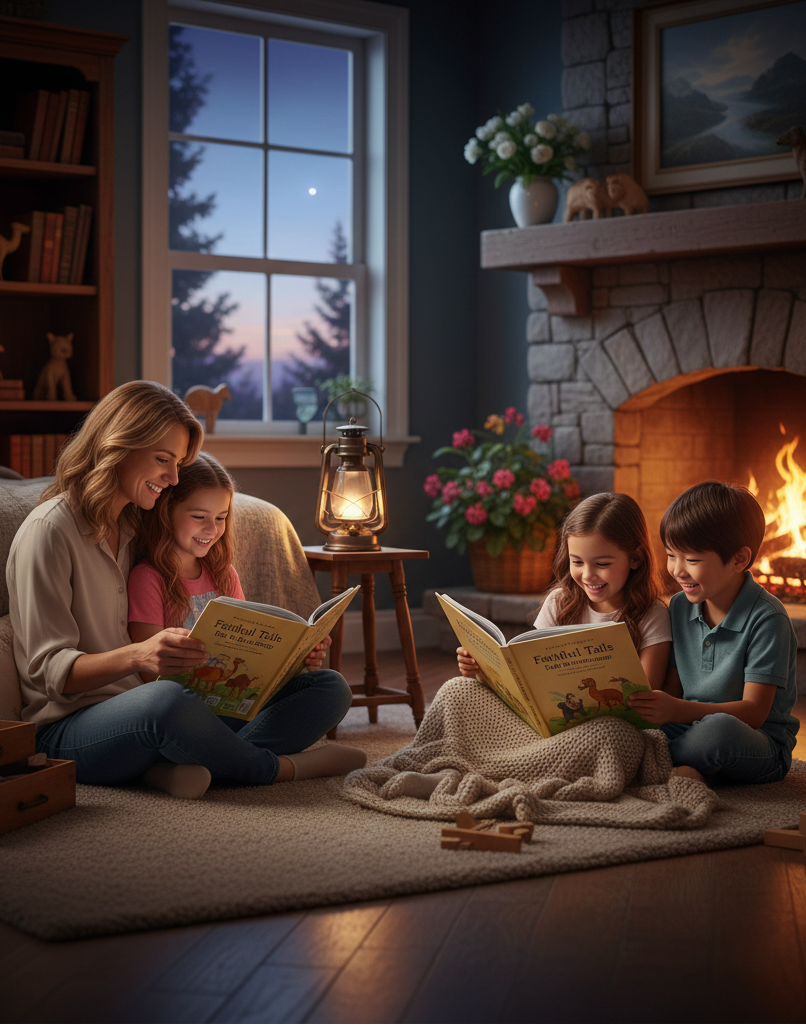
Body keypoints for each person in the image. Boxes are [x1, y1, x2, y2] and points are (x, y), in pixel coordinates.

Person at [7, 381, 364, 801]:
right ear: (116, 445)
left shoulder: (134, 524)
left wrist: (286, 657)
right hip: (68, 726)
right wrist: (139, 654)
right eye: (162, 459)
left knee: (327, 688)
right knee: (168, 701)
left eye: (177, 462)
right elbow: (50, 674)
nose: (173, 477)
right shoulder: (50, 532)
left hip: (152, 710)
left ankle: (179, 764)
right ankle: (274, 769)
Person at [628, 481, 799, 785]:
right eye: (671, 555)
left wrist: (677, 710)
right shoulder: (679, 606)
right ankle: (680, 767)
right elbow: (673, 688)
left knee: (719, 731)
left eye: (691, 560)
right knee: (625, 725)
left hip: (756, 743)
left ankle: (648, 762)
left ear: (739, 559)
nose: (677, 570)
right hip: (688, 726)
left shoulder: (768, 618)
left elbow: (754, 713)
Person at [457, 492, 671, 689]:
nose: (587, 575)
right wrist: (479, 672)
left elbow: (645, 694)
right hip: (555, 716)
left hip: (615, 723)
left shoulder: (652, 615)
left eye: (602, 564)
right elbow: (532, 677)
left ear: (635, 559)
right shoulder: (559, 602)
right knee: (457, 689)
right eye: (577, 562)